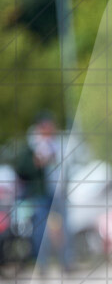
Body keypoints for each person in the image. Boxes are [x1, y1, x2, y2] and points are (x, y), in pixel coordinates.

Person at [14, 112, 71, 275]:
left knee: (64, 229)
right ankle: (42, 264)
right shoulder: (32, 146)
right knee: (41, 230)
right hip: (40, 194)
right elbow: (22, 169)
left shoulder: (57, 144)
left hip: (57, 192)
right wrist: (37, 163)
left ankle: (65, 262)